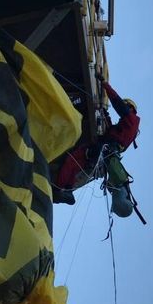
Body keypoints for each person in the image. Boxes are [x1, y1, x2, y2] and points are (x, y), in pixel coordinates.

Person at [54, 75, 140, 217]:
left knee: (72, 159)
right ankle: (67, 190)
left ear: (130, 108)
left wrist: (105, 85)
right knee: (76, 165)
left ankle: (59, 188)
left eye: (126, 106)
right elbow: (111, 132)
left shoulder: (132, 119)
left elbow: (117, 103)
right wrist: (104, 115)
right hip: (105, 153)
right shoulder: (128, 129)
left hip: (104, 150)